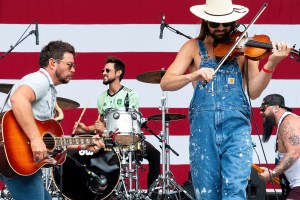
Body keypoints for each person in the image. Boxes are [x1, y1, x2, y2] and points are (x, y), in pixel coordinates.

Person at [160, 0, 291, 199]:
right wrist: (192, 76)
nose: (221, 28)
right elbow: (166, 82)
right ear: (206, 21)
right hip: (204, 129)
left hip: (236, 129)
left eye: (226, 23)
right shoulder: (192, 47)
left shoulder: (244, 48)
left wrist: (271, 63)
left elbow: (254, 91)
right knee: (207, 192)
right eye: (215, 24)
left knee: (235, 190)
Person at [0, 40, 105, 200]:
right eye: (69, 65)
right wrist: (35, 139)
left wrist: (83, 144)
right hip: (18, 157)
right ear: (52, 63)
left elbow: (50, 141)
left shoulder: (48, 89)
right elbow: (18, 99)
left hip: (19, 159)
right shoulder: (40, 80)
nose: (74, 70)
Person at [74, 56, 161, 189]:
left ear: (118, 73)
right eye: (103, 70)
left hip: (127, 138)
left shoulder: (130, 94)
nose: (103, 73)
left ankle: (153, 194)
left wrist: (104, 129)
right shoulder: (101, 97)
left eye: (107, 70)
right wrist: (86, 129)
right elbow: (101, 123)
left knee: (155, 155)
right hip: (108, 140)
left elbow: (129, 122)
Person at [258, 94, 300, 199]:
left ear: (276, 108)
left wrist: (273, 173)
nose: (261, 112)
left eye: (264, 108)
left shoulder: (288, 123)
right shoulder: (287, 122)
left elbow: (294, 153)